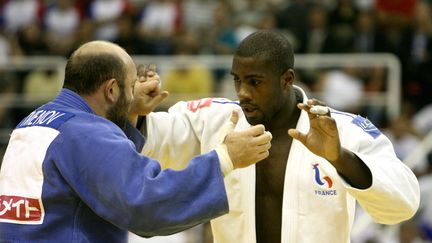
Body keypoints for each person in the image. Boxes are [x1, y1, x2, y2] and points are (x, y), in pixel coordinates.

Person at [140, 30, 420, 243]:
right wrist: (134, 111)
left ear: (287, 79)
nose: (242, 92)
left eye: (255, 82)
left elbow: (403, 205)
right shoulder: (215, 120)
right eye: (237, 79)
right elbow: (153, 139)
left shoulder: (341, 129)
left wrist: (340, 158)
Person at [0, 40, 273, 242]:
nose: (135, 96)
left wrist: (128, 112)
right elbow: (146, 203)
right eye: (130, 88)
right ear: (111, 89)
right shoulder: (86, 132)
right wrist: (224, 158)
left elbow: (93, 173)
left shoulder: (36, 119)